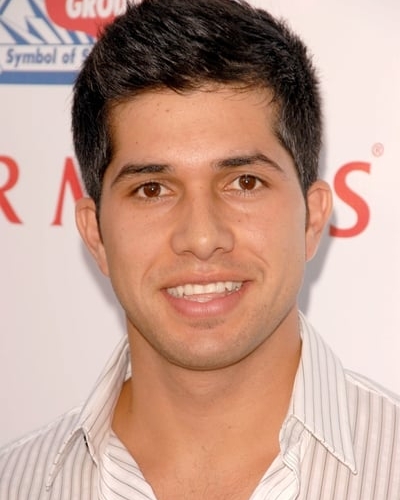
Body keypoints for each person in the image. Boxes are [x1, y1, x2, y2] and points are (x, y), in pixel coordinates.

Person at [1, 0, 399, 498]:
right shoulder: (16, 483)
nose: (202, 237)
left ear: (312, 219)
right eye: (152, 189)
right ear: (96, 234)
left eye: (245, 182)